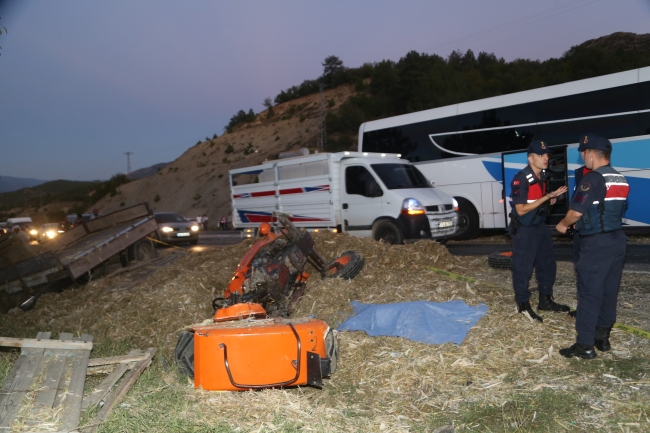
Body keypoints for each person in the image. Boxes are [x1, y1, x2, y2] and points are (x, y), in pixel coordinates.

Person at [556, 136, 629, 359]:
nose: (582, 157)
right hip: (617, 240)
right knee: (609, 291)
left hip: (596, 243)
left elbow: (576, 211)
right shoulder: (620, 178)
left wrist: (563, 224)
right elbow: (609, 209)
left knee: (589, 294)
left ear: (591, 153)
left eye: (583, 153)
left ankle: (584, 345)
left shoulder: (593, 179)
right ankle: (602, 338)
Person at [509, 139, 569, 322]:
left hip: (539, 226)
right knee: (523, 268)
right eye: (541, 155)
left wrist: (549, 200)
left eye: (547, 155)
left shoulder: (542, 176)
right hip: (526, 229)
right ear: (530, 158)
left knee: (548, 264)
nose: (546, 158)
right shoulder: (521, 178)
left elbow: (536, 202)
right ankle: (523, 305)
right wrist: (547, 197)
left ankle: (546, 300)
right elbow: (520, 209)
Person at [568, 133, 596, 318]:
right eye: (582, 152)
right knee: (580, 268)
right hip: (580, 231)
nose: (583, 155)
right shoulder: (579, 173)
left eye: (585, 151)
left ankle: (592, 310)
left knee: (593, 273)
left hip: (595, 232)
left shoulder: (601, 174)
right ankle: (582, 307)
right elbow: (577, 200)